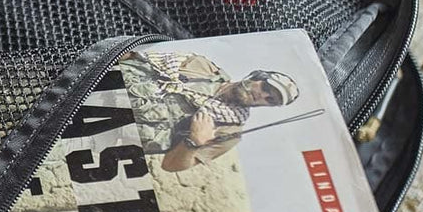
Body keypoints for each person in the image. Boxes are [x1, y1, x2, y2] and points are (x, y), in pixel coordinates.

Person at [119, 50, 299, 172]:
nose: (262, 96)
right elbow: (133, 58)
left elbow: (170, 165)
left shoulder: (229, 131)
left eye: (271, 100)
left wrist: (194, 141)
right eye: (266, 87)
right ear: (257, 76)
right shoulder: (202, 66)